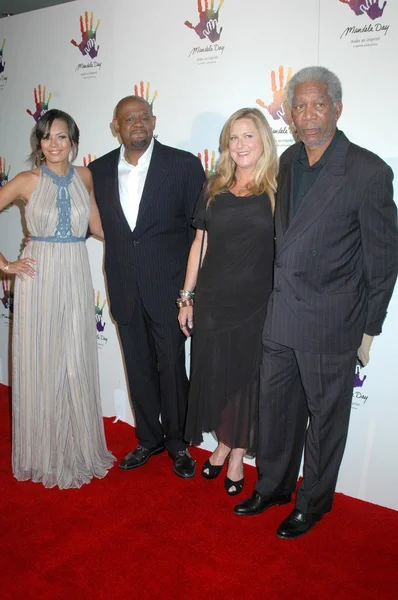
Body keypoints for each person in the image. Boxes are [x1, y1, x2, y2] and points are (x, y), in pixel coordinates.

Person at [234, 66, 398, 537]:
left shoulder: (368, 171)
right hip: (282, 314)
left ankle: (313, 501)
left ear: (338, 109)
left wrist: (369, 327)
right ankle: (274, 486)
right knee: (276, 410)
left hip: (332, 320)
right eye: (300, 106)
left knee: (325, 421)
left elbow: (383, 260)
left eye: (318, 104)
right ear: (289, 113)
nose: (308, 115)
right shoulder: (286, 161)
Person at [88, 96, 206, 478]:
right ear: (116, 127)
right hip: (123, 285)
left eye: (143, 116)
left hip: (169, 289)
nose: (136, 123)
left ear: (153, 122)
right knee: (137, 366)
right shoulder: (100, 170)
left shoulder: (183, 164)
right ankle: (149, 438)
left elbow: (200, 233)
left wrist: (190, 291)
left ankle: (178, 442)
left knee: (172, 368)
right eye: (128, 118)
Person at [0, 109, 115, 489]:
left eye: (61, 136)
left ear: (74, 142)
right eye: (47, 136)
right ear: (39, 142)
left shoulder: (85, 176)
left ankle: (77, 445)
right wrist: (6, 265)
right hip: (38, 276)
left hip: (75, 273)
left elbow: (97, 227)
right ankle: (43, 451)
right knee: (42, 359)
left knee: (75, 357)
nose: (53, 144)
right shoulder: (25, 181)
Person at [180, 108, 278, 495]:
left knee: (246, 380)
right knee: (217, 376)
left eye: (248, 136)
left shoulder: (276, 187)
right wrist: (186, 298)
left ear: (263, 140)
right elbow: (199, 243)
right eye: (233, 138)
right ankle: (221, 442)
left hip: (256, 302)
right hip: (213, 301)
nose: (240, 145)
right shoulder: (214, 185)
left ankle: (236, 452)